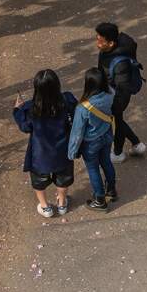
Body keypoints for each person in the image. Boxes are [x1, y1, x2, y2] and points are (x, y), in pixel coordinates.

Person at [13, 69, 76, 219]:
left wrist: (17, 109)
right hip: (63, 151)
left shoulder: (30, 108)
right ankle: (62, 204)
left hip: (40, 154)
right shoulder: (67, 101)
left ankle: (45, 206)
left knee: (39, 181)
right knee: (63, 178)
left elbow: (25, 127)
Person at [94, 22, 147, 161]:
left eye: (100, 41)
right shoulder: (106, 52)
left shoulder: (120, 64)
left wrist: (115, 107)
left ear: (111, 43)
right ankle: (137, 144)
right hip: (111, 92)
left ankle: (118, 153)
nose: (97, 44)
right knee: (118, 120)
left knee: (117, 121)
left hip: (119, 96)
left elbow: (123, 89)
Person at [67, 67, 118, 210]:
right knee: (106, 162)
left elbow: (77, 132)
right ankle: (111, 190)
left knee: (93, 169)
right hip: (106, 134)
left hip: (91, 143)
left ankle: (100, 200)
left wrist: (72, 152)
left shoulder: (83, 108)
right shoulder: (110, 93)